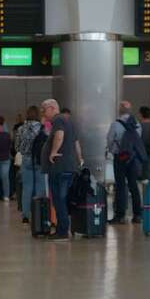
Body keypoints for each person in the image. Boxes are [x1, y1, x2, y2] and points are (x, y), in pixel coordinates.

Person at [40, 99, 83, 241]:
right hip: (70, 167)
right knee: (63, 199)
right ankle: (64, 229)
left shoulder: (58, 120)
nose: (43, 113)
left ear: (52, 108)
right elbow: (76, 143)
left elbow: (59, 135)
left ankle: (62, 231)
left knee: (59, 199)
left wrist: (53, 152)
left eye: (44, 110)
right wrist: (79, 159)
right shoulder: (69, 121)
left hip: (59, 167)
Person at [107, 101, 145, 225]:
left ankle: (120, 215)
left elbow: (110, 140)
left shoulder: (115, 124)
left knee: (120, 185)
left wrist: (114, 152)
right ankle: (137, 215)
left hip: (120, 157)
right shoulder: (137, 125)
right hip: (133, 159)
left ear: (120, 110)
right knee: (134, 186)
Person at [15, 106, 47, 223]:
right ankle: (39, 213)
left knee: (27, 188)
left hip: (26, 159)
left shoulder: (21, 128)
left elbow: (17, 147)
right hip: (40, 160)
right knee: (40, 187)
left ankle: (25, 215)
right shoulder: (42, 128)